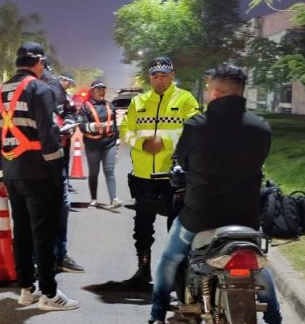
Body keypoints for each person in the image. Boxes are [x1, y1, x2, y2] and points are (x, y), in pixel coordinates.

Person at [142, 63, 282, 324]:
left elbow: (182, 161)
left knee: (169, 259)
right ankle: (275, 320)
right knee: (259, 264)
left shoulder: (197, 125)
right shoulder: (261, 127)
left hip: (200, 214)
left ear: (216, 92)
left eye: (208, 89)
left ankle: (157, 320)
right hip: (245, 215)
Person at [0, 42, 79, 311]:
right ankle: (49, 294)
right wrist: (56, 171)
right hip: (38, 172)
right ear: (38, 62)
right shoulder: (39, 88)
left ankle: (26, 289)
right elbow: (48, 134)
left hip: (11, 171)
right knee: (44, 235)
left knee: (23, 232)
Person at [118, 56, 200, 287]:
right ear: (149, 78)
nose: (160, 80)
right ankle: (143, 270)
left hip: (173, 177)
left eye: (164, 75)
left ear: (172, 75)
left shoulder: (185, 99)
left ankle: (179, 276)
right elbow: (126, 129)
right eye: (155, 76)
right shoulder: (139, 101)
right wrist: (142, 143)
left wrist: (164, 141)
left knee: (176, 229)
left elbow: (194, 131)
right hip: (144, 176)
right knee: (142, 227)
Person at [49, 70, 85, 273]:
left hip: (57, 154)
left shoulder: (62, 94)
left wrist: (69, 122)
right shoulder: (39, 90)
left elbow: (70, 111)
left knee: (58, 206)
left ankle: (55, 256)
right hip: (41, 160)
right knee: (53, 208)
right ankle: (51, 259)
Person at [76, 79, 121, 208]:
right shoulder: (85, 107)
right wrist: (93, 126)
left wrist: (117, 143)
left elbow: (115, 126)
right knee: (94, 172)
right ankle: (94, 199)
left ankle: (114, 199)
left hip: (109, 143)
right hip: (92, 145)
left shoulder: (109, 105)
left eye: (103, 89)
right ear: (92, 91)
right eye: (98, 89)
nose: (102, 92)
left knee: (109, 170)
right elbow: (81, 126)